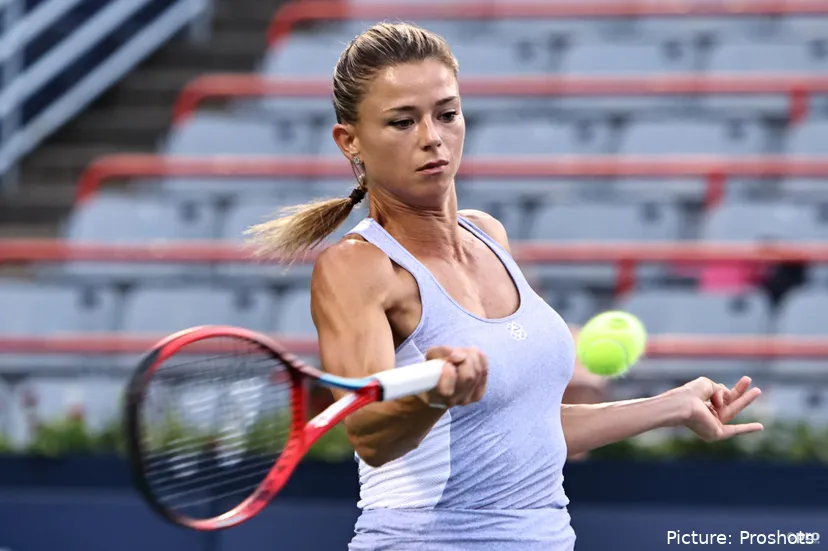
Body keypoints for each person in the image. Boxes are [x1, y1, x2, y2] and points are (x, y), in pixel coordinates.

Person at [246, 22, 764, 551]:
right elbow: (370, 436)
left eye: (447, 114)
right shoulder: (356, 267)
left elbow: (524, 429)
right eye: (402, 121)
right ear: (349, 140)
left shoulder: (489, 234)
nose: (432, 137)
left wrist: (671, 406)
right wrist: (433, 397)